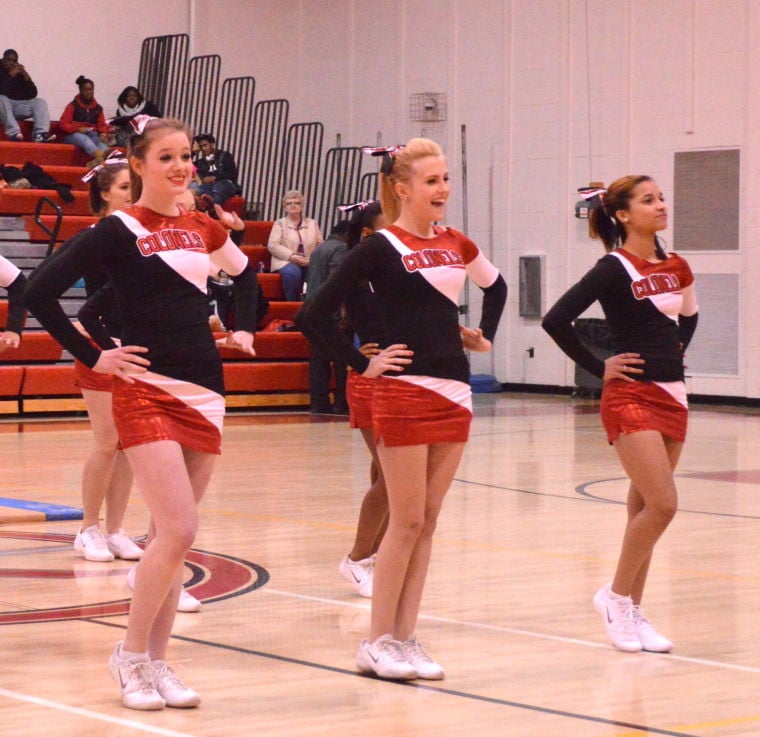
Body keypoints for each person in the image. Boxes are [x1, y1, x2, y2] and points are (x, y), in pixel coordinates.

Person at [25, 116, 258, 710]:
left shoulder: (203, 226)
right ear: (138, 163)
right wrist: (94, 356)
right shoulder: (118, 228)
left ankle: (158, 661)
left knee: (168, 538)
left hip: (206, 389)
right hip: (145, 387)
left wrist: (246, 327)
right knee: (180, 527)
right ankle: (128, 656)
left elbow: (247, 273)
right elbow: (37, 293)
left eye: (186, 157)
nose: (181, 167)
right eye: (167, 158)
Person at [297, 139, 507, 680]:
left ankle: (406, 636)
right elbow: (314, 314)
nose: (442, 189)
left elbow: (497, 284)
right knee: (407, 518)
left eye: (445, 180)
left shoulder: (457, 242)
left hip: (454, 390)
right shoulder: (378, 247)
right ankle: (376, 640)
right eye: (432, 181)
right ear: (402, 188)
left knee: (428, 521)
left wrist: (482, 335)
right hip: (403, 389)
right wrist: (360, 363)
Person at [541, 175, 698, 654]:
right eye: (648, 200)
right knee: (664, 504)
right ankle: (613, 597)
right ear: (624, 215)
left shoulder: (677, 265)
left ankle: (631, 608)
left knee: (642, 510)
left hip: (674, 392)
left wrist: (674, 352)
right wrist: (599, 367)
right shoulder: (612, 268)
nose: (660, 205)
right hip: (630, 396)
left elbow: (688, 315)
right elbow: (555, 319)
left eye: (661, 197)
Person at [70, 155, 142, 564]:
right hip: (100, 348)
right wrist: (85, 331)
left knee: (131, 444)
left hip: (133, 349)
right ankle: (88, 529)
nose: (133, 194)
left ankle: (115, 529)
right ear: (103, 193)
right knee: (106, 441)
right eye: (125, 188)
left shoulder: (140, 234)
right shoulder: (94, 236)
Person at [335, 200, 389, 597]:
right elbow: (314, 320)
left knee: (382, 473)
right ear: (368, 235)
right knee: (392, 478)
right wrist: (357, 358)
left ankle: (376, 556)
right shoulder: (355, 272)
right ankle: (356, 558)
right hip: (370, 382)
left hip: (405, 380)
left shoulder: (399, 271)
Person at [303, 219, 351, 414]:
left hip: (311, 310)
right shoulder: (341, 249)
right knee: (341, 359)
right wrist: (343, 312)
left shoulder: (319, 250)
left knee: (318, 358)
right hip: (330, 313)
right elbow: (337, 283)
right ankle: (341, 402)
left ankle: (319, 402)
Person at [268, 190, 323, 301]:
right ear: (284, 207)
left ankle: (313, 304)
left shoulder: (312, 223)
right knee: (292, 273)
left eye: (297, 203)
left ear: (302, 207)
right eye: (289, 203)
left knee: (319, 272)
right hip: (286, 260)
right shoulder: (280, 223)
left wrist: (312, 258)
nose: (293, 205)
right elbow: (273, 245)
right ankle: (292, 303)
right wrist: (292, 256)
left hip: (309, 260)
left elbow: (320, 244)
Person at [0, 49, 55, 143]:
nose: (12, 63)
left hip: (17, 107)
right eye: (9, 60)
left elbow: (32, 94)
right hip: (2, 108)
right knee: (1, 98)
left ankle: (40, 134)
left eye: (15, 61)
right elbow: (2, 90)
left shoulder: (18, 72)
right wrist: (10, 75)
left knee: (39, 102)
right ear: (3, 60)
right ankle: (14, 133)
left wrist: (27, 80)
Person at [58, 75, 111, 167]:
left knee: (103, 146)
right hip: (72, 135)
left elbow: (102, 124)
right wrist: (77, 129)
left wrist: (103, 134)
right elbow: (63, 124)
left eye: (91, 89)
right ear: (81, 91)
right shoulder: (72, 105)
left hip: (93, 135)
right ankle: (99, 158)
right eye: (86, 90)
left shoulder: (98, 108)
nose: (89, 92)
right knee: (85, 140)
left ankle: (94, 163)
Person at [191, 133, 240, 205]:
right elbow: (187, 164)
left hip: (225, 184)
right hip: (208, 187)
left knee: (218, 187)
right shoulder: (200, 162)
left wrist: (215, 178)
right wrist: (193, 152)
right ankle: (208, 205)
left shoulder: (225, 156)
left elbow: (232, 175)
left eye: (205, 145)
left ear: (212, 144)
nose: (203, 149)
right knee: (198, 188)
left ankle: (212, 206)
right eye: (201, 147)